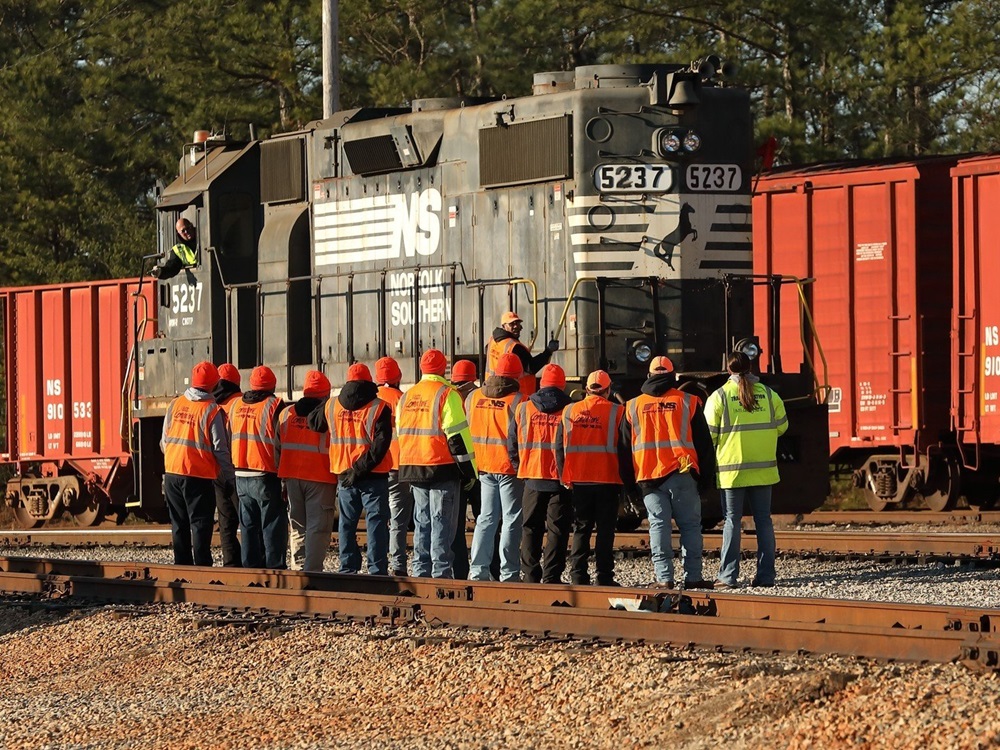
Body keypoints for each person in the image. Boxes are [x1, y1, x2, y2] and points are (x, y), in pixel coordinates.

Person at [622, 356, 715, 589]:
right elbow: (704, 445)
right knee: (690, 526)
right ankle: (693, 577)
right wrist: (705, 479)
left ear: (649, 376)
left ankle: (664, 578)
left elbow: (623, 449)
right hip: (682, 474)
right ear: (673, 377)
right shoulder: (688, 401)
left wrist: (630, 488)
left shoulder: (632, 406)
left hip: (648, 477)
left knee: (658, 526)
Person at [705, 352, 788, 589]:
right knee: (764, 521)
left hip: (732, 472)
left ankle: (728, 577)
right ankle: (766, 576)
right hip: (763, 470)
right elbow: (782, 427)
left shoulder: (719, 396)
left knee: (732, 521)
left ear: (728, 369)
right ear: (751, 367)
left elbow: (709, 435)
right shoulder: (770, 395)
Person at [397, 349, 477, 579]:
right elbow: (457, 438)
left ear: (422, 368)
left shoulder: (407, 396)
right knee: (442, 522)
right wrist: (469, 472)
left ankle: (421, 572)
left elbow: (401, 431)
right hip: (441, 468)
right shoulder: (447, 394)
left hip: (413, 467)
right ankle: (440, 574)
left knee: (422, 522)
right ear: (443, 369)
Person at [312, 363, 392, 575]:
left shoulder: (332, 405)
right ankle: (377, 570)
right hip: (373, 475)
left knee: (346, 524)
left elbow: (314, 423)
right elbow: (380, 446)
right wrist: (359, 469)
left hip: (344, 475)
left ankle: (347, 567)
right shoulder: (379, 407)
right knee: (376, 523)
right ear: (369, 380)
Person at [556, 370, 630, 586]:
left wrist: (564, 475)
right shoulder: (618, 412)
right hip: (608, 479)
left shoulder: (569, 410)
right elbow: (625, 447)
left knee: (581, 529)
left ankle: (578, 575)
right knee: (605, 531)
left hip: (579, 479)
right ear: (608, 390)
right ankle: (604, 577)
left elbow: (559, 446)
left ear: (587, 389)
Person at [160, 361, 235, 566]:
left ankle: (182, 568)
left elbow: (164, 442)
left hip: (172, 473)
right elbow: (220, 449)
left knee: (179, 524)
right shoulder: (211, 410)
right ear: (214, 384)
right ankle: (202, 569)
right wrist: (230, 477)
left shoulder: (175, 404)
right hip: (197, 476)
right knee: (200, 524)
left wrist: (176, 459)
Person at [509, 363, 573, 584]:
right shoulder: (570, 410)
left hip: (532, 476)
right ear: (562, 385)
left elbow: (512, 444)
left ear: (541, 384)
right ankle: (552, 576)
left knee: (530, 527)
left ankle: (530, 575)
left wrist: (521, 468)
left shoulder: (524, 408)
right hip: (560, 479)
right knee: (557, 530)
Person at [466, 352, 524, 582]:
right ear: (517, 375)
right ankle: (509, 573)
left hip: (483, 466)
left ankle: (478, 571)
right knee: (511, 519)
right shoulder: (519, 401)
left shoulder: (473, 397)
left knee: (486, 518)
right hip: (508, 467)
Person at [278, 370, 338, 572]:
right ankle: (312, 573)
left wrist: (283, 479)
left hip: (291, 477)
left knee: (297, 526)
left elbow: (278, 447)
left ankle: (298, 569)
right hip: (320, 477)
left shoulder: (286, 413)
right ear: (326, 394)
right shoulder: (328, 415)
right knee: (317, 528)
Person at [229, 365, 287, 569]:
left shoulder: (236, 405)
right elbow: (280, 444)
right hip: (265, 473)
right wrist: (283, 476)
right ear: (272, 385)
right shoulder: (274, 405)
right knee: (272, 524)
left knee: (248, 526)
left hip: (240, 473)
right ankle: (275, 568)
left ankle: (250, 570)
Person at [374, 356, 411, 576]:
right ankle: (398, 565)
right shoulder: (403, 400)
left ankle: (377, 564)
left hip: (375, 467)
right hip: (398, 465)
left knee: (377, 518)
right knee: (398, 520)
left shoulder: (371, 400)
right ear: (398, 377)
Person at [449, 359, 479, 580]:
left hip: (457, 469)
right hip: (480, 469)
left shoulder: (449, 397)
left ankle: (459, 572)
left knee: (456, 526)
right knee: (486, 522)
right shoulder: (480, 397)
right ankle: (490, 569)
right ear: (474, 377)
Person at [212, 363, 243, 567]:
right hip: (238, 468)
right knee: (247, 521)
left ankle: (231, 564)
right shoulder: (241, 403)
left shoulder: (211, 405)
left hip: (217, 470)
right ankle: (252, 562)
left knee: (225, 523)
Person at [485, 311, 559, 396]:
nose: (516, 326)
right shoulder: (514, 346)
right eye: (512, 324)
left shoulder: (492, 341)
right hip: (515, 393)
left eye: (517, 323)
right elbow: (531, 367)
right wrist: (548, 351)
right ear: (504, 326)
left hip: (491, 389)